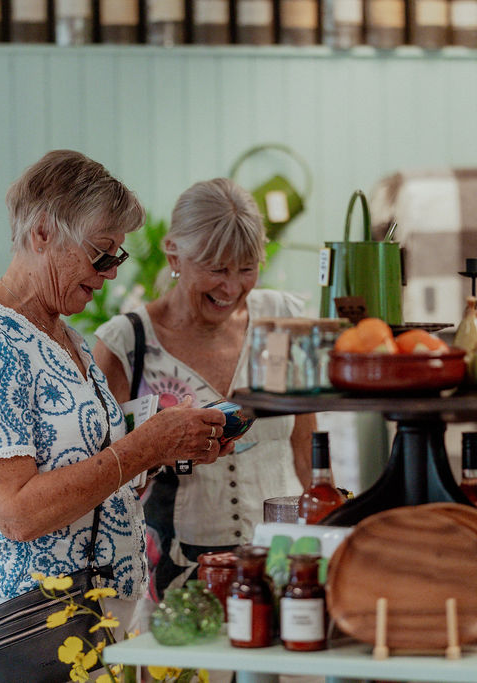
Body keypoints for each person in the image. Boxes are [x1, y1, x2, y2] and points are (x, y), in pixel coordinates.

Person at [0, 151, 233, 682]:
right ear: (43, 232)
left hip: (100, 605)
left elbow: (94, 471)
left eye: (118, 254)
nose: (113, 271)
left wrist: (173, 445)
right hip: (42, 616)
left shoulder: (67, 339)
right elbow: (17, 513)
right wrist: (144, 447)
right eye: (100, 254)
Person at [94, 177, 316, 607]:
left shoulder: (281, 322)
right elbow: (106, 474)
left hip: (284, 565)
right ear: (174, 253)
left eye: (246, 268)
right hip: (173, 581)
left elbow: (306, 452)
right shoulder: (127, 344)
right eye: (216, 269)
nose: (231, 288)